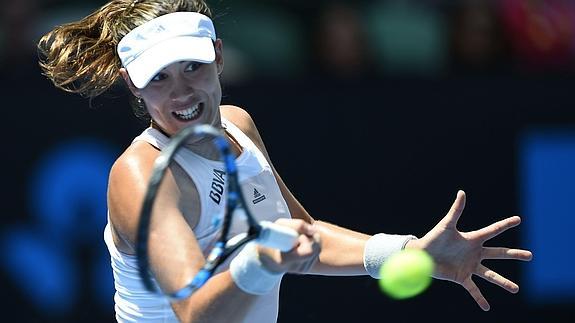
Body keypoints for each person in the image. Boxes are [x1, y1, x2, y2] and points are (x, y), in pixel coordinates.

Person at [37, 1, 533, 322]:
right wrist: (259, 261)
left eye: (193, 67)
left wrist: (408, 253)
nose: (182, 91)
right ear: (133, 84)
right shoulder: (141, 176)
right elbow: (195, 312)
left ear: (219, 56)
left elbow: (305, 239)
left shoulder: (239, 124)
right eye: (159, 79)